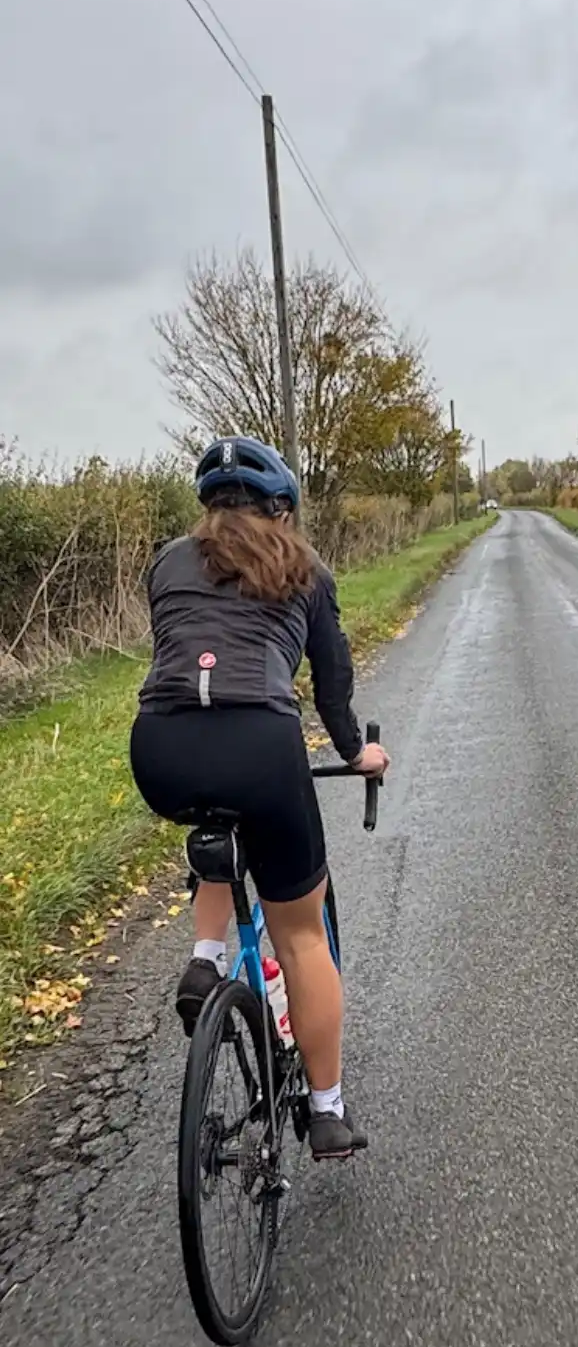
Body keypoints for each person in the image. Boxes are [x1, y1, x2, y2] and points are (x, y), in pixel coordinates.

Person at [129, 434, 388, 1161]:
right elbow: (330, 686)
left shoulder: (167, 561)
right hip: (262, 751)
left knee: (218, 822)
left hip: (160, 749)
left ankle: (205, 958)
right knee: (302, 934)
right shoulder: (305, 569)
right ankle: (328, 1110)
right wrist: (355, 752)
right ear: (283, 507)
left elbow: (183, 650)